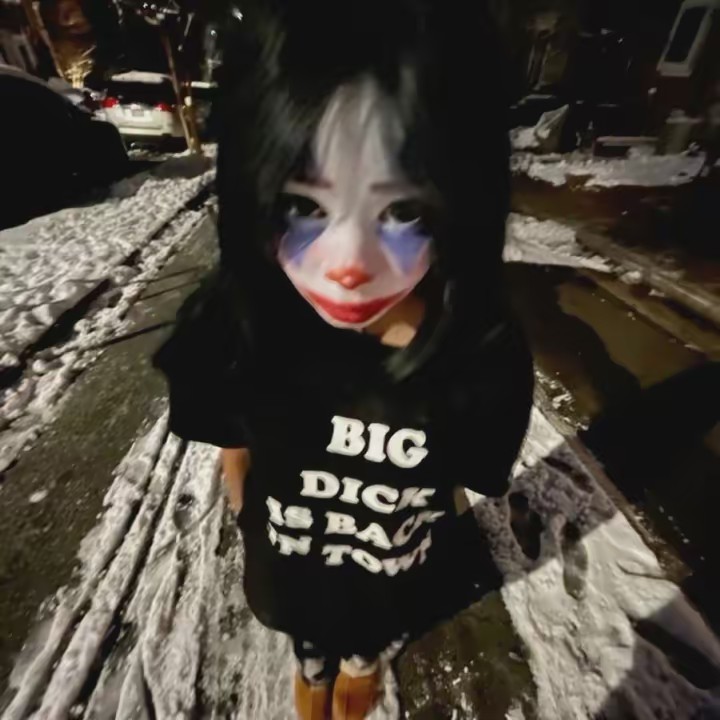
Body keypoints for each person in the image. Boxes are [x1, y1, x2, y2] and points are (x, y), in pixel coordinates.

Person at [154, 1, 534, 718]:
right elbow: (233, 443)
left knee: (366, 638)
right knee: (308, 638)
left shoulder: (479, 357)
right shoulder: (238, 329)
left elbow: (465, 478)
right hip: (288, 576)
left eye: (405, 211)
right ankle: (314, 663)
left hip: (388, 582)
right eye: (303, 205)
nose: (350, 265)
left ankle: (362, 659)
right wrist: (243, 501)